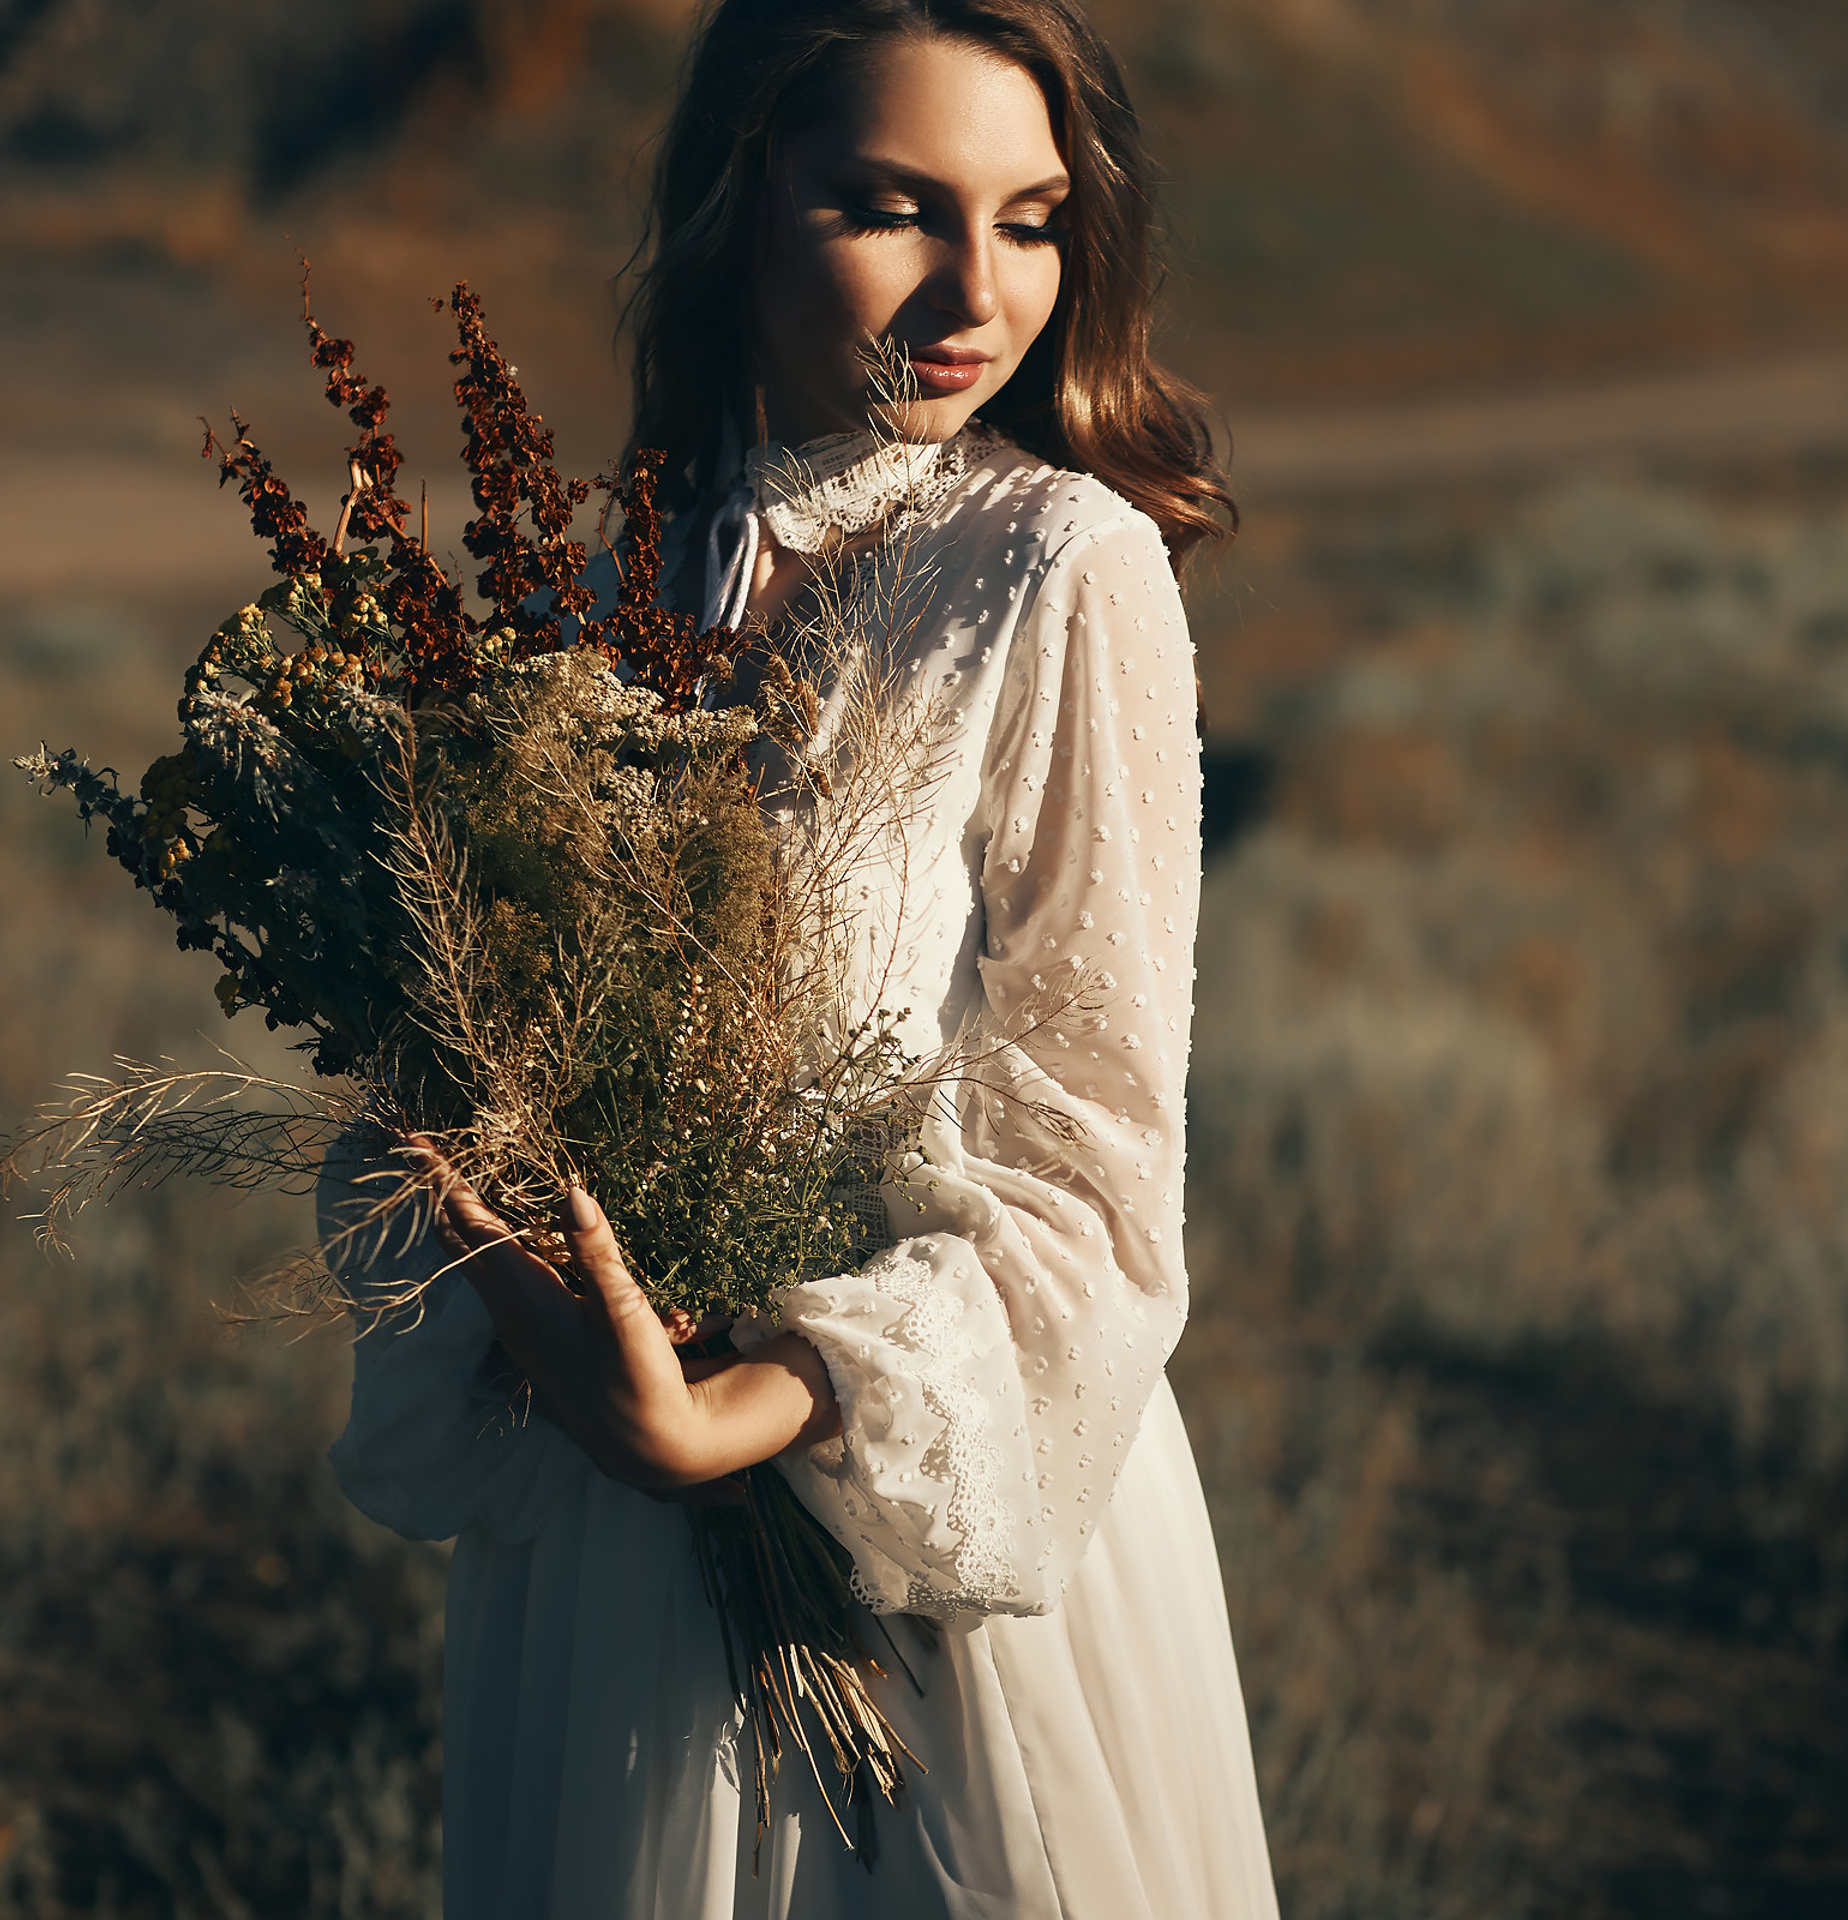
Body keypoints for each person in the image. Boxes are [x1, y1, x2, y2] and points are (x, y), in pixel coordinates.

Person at [324, 0, 1280, 1913]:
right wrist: (564, 1331)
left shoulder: (1059, 565)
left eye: (1028, 218)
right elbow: (453, 1074)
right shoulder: (598, 595)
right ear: (740, 194)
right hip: (608, 1563)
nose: (973, 288)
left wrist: (732, 1416)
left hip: (929, 1540)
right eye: (892, 205)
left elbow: (1091, 1176)